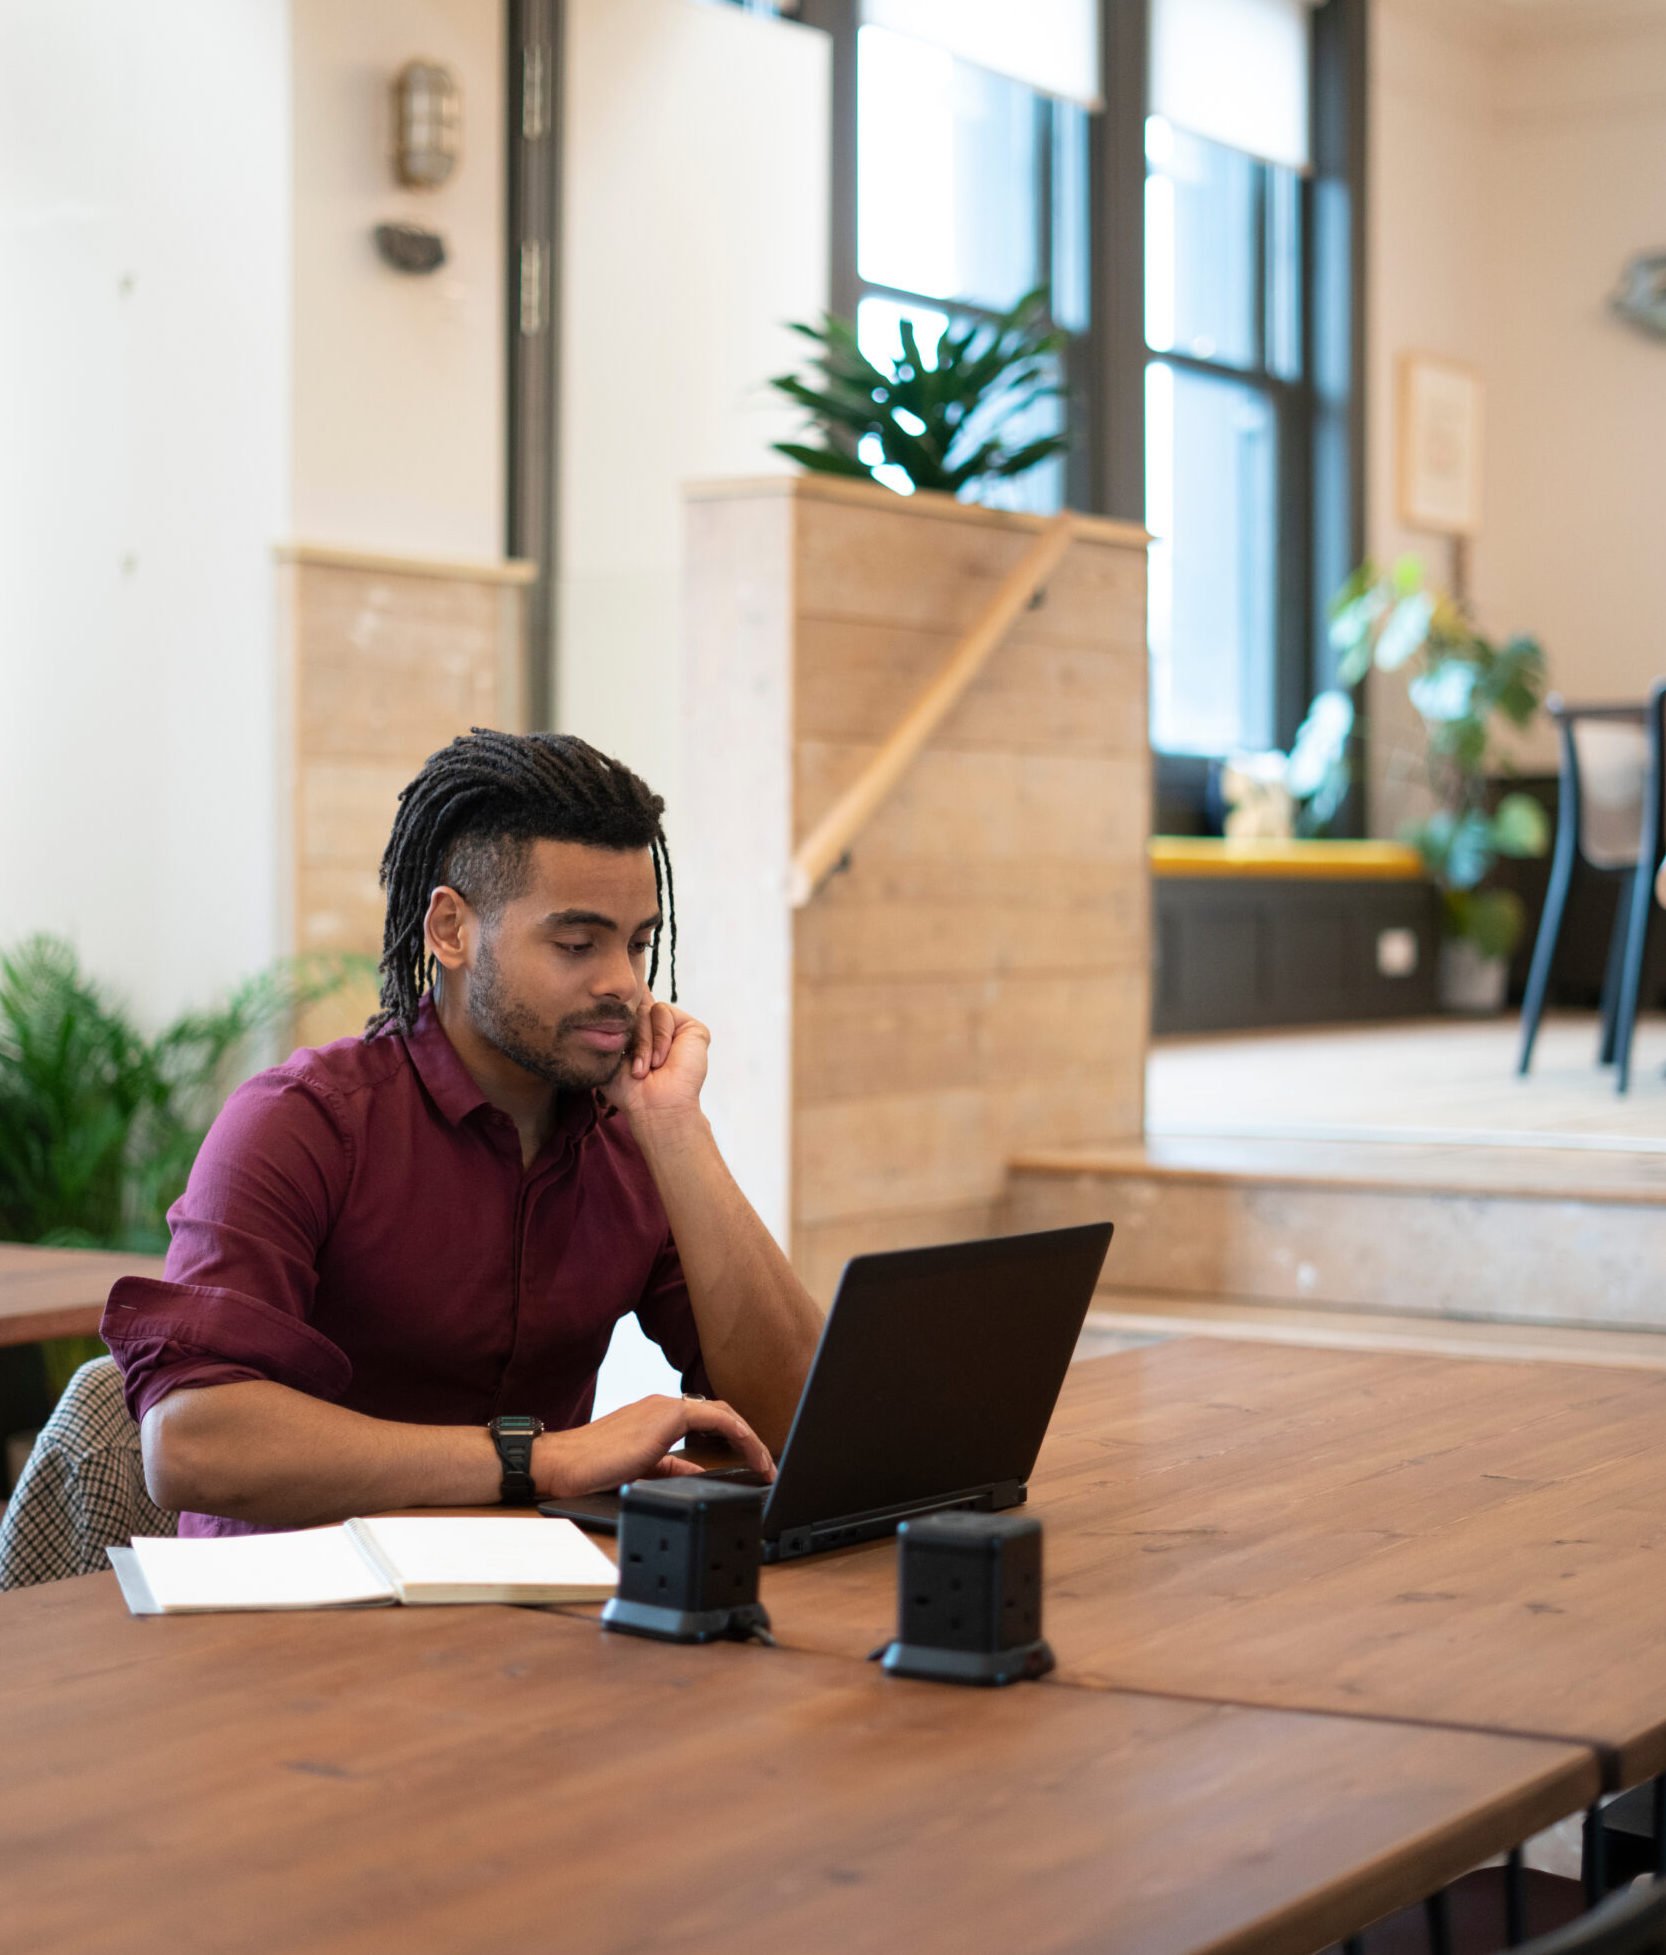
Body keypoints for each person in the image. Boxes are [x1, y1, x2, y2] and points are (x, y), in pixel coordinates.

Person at [102, 730, 824, 1538]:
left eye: (638, 942)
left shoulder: (631, 1140)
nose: (623, 981)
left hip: (528, 1619)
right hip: (295, 1620)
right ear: (450, 930)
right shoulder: (301, 1123)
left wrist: (677, 1128)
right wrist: (534, 1460)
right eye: (578, 943)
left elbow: (805, 1421)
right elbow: (192, 1443)